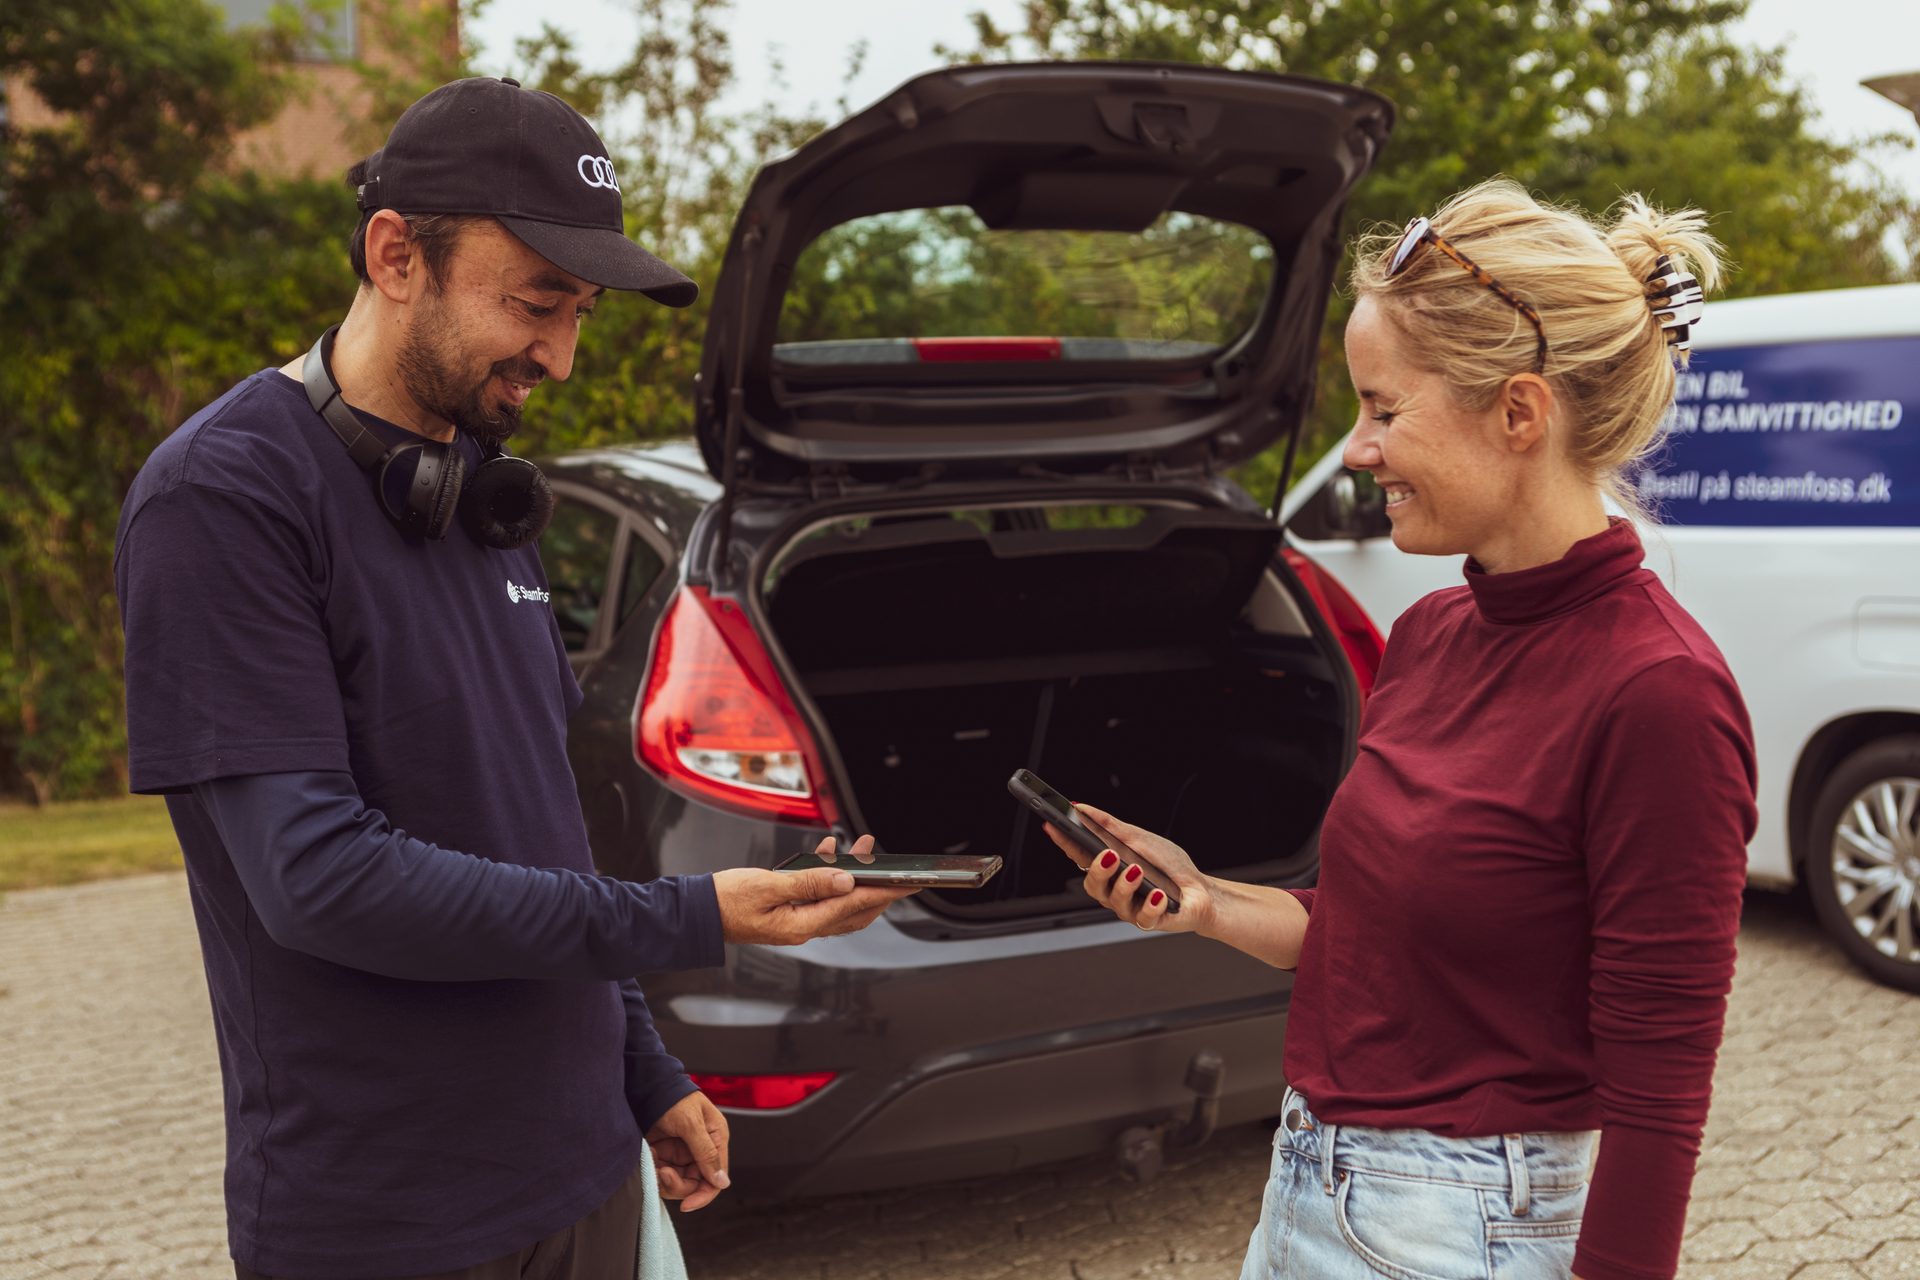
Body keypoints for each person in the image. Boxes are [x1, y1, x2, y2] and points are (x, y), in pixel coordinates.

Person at [113, 77, 914, 1280]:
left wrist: (644, 1070)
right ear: (396, 254)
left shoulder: (487, 493)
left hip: (588, 1174)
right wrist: (696, 914)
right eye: (537, 303)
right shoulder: (221, 501)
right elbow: (318, 878)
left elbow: (542, 826)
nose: (562, 353)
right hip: (392, 1222)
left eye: (581, 310)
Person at [1051, 179, 1756, 1280]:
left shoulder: (1659, 691)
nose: (1361, 451)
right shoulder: (1431, 630)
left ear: (1519, 413)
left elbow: (1662, 1085)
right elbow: (1383, 936)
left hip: (1470, 1229)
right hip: (1311, 1187)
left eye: (1384, 410)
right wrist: (1207, 901)